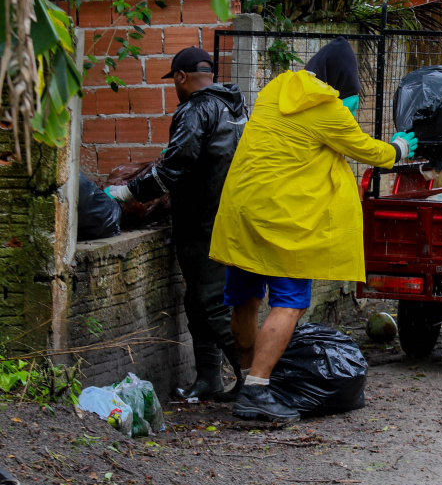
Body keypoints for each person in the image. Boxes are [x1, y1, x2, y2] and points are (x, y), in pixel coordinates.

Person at [209, 37, 417, 422]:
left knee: (244, 297)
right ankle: (257, 391)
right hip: (283, 220)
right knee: (290, 300)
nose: (351, 104)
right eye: (351, 95)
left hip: (241, 209)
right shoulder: (326, 108)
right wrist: (401, 147)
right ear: (340, 84)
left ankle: (243, 379)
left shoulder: (276, 88)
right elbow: (368, 151)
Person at [105, 46, 248, 401]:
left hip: (203, 221)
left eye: (174, 81)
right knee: (198, 302)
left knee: (211, 303)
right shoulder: (235, 107)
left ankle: (255, 382)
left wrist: (128, 193)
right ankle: (209, 379)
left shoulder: (196, 109)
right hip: (227, 216)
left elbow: (177, 164)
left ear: (181, 77)